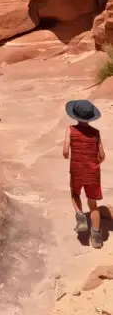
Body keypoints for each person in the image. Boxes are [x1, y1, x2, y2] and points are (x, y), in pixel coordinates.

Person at [63, 99, 105, 248]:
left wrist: (68, 155)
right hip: (92, 173)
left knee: (75, 193)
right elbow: (102, 156)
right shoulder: (96, 133)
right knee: (93, 204)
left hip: (77, 170)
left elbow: (66, 151)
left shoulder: (70, 130)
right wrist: (95, 164)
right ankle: (97, 238)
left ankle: (80, 216)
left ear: (75, 115)